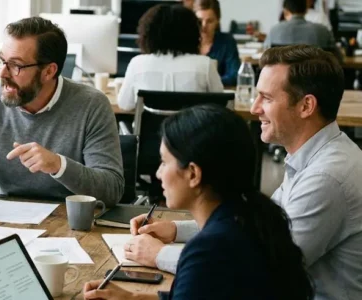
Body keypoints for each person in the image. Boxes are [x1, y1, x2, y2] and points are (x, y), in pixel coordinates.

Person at [123, 45, 362, 300]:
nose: (254, 108)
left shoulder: (327, 177)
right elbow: (254, 230)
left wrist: (158, 254)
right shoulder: (314, 156)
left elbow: (255, 263)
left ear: (306, 106)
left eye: (266, 98)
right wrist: (175, 229)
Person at [83, 105, 313, 300]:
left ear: (193, 173)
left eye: (164, 162)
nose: (158, 173)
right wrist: (131, 297)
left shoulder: (210, 251)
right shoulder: (250, 217)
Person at [0, 16, 123, 208]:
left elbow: (111, 189)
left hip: (73, 223)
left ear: (49, 72)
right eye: (1, 61)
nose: (2, 73)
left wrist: (58, 165)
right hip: (6, 221)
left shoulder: (92, 105)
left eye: (16, 65)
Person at [117, 4, 223, 111]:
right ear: (193, 33)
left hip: (152, 128)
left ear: (149, 33)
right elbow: (222, 104)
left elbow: (125, 105)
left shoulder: (137, 64)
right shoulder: (205, 65)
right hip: (193, 127)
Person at [194, 0, 241, 86]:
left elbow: (234, 76)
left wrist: (204, 82)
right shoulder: (185, 41)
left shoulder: (227, 41)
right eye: (199, 21)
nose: (204, 26)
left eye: (210, 21)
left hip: (217, 95)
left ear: (217, 21)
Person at [265, 0, 336, 54]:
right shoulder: (323, 30)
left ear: (285, 11)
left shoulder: (274, 30)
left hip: (283, 73)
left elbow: (265, 55)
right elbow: (337, 58)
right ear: (306, 10)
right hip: (315, 72)